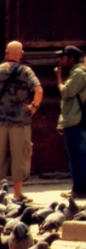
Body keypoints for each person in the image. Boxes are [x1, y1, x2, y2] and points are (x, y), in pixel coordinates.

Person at [0, 40, 42, 202]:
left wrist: (0, 99)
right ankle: (17, 194)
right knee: (20, 155)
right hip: (21, 119)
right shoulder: (26, 71)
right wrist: (33, 107)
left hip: (0, 118)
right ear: (21, 54)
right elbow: (38, 90)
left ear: (6, 53)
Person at [55, 45, 86, 199]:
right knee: (78, 156)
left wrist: (58, 77)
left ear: (71, 59)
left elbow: (66, 92)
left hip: (76, 120)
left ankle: (79, 189)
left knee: (77, 157)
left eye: (64, 57)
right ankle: (79, 187)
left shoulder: (79, 73)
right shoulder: (77, 73)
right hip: (75, 120)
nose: (61, 61)